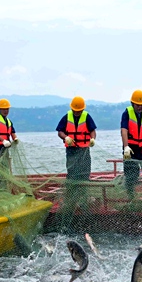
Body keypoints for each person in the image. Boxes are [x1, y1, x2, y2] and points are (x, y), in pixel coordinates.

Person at [56, 96, 97, 229]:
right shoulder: (66, 117)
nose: (77, 112)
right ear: (72, 109)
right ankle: (71, 199)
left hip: (84, 150)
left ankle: (84, 199)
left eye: (79, 110)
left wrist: (92, 139)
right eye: (76, 110)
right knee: (72, 174)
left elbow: (92, 131)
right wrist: (66, 137)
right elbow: (60, 131)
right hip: (72, 151)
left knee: (84, 173)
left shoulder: (87, 116)